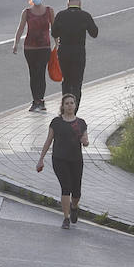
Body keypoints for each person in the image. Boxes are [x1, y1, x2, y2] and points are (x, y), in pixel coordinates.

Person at [36, 94, 88, 229]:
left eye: (72, 103)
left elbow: (86, 140)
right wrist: (41, 159)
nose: (70, 106)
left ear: (75, 105)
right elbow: (48, 141)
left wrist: (85, 141)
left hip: (76, 160)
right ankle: (66, 218)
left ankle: (74, 207)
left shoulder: (81, 123)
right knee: (66, 187)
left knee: (76, 191)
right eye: (67, 103)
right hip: (59, 159)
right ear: (62, 106)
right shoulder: (56, 122)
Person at [50, 0, 99, 107]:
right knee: (77, 82)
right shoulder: (85, 15)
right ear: (80, 4)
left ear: (68, 4)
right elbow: (94, 33)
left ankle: (65, 108)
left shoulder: (61, 15)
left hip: (64, 51)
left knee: (66, 81)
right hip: (78, 52)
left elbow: (54, 33)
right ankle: (74, 109)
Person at [12, 0, 55, 112]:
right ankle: (35, 100)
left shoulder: (49, 11)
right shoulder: (27, 12)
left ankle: (40, 100)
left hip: (44, 47)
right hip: (30, 47)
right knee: (33, 73)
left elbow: (55, 27)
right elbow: (20, 28)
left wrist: (57, 42)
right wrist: (16, 43)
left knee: (40, 73)